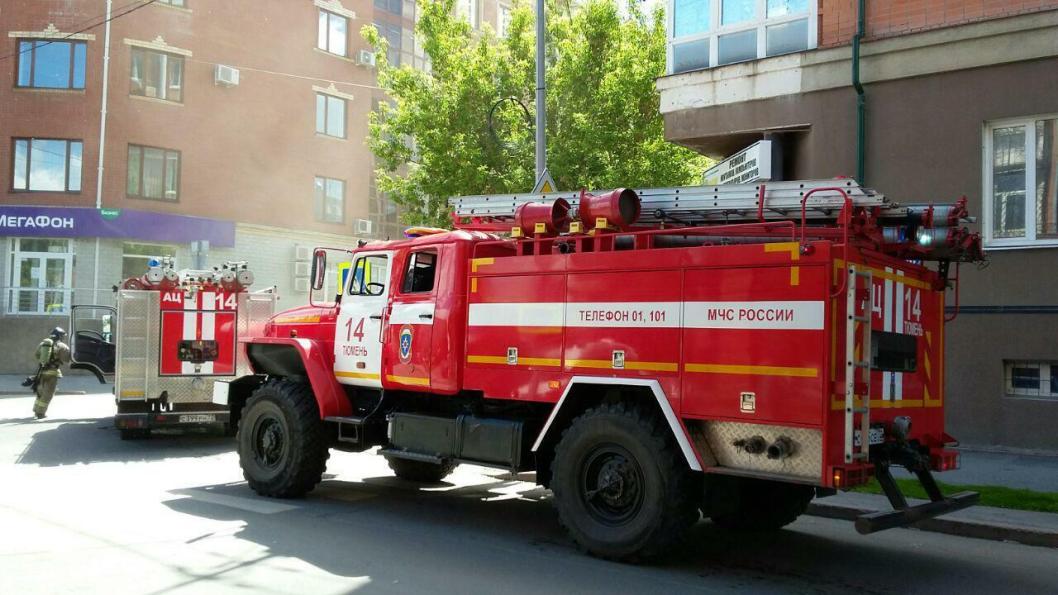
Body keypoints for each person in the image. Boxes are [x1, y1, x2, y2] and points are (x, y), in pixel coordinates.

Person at [32, 327, 71, 419]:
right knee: (48, 394)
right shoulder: (61, 345)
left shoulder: (43, 343)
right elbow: (67, 358)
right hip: (52, 372)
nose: (63, 337)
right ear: (59, 336)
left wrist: (44, 361)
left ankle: (36, 410)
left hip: (41, 371)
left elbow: (36, 355)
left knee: (40, 392)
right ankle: (41, 413)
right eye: (62, 336)